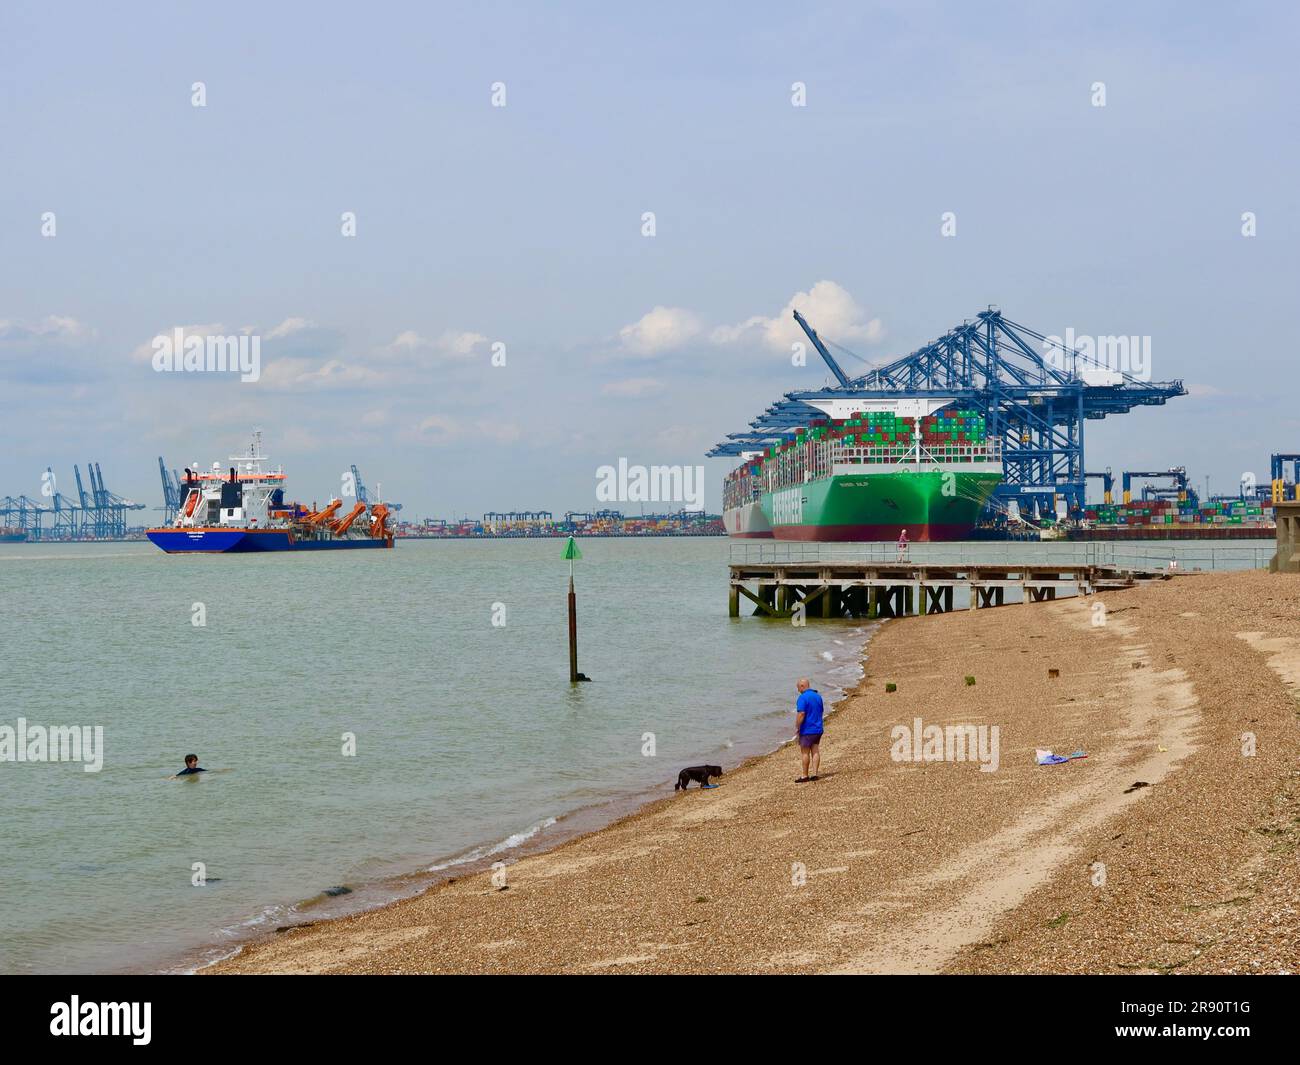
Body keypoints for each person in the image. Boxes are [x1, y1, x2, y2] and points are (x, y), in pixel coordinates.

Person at [794, 678, 824, 783]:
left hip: (807, 729)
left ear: (802, 686)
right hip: (818, 728)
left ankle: (805, 775)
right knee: (815, 750)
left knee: (805, 752)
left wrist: (797, 727)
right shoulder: (818, 696)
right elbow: (821, 711)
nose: (798, 690)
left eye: (798, 688)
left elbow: (801, 714)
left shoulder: (802, 698)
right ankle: (815, 774)